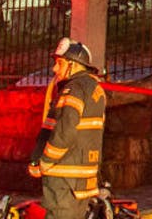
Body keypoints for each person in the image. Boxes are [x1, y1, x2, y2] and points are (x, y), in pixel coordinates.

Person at [30, 38, 107, 219]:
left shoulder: (73, 89)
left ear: (74, 65)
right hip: (82, 180)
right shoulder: (95, 89)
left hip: (64, 178)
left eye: (59, 63)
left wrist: (45, 162)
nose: (55, 69)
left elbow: (65, 132)